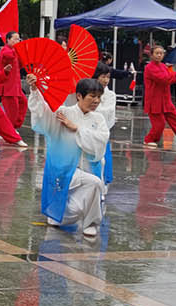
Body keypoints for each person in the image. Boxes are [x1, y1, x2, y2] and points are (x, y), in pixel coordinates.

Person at [28, 74, 109, 237]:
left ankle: (91, 222)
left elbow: (102, 139)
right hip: (63, 169)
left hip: (87, 168)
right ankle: (59, 214)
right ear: (79, 95)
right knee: (67, 213)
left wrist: (76, 129)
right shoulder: (64, 112)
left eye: (99, 97)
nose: (96, 101)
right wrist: (35, 90)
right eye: (92, 96)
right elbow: (44, 112)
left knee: (95, 183)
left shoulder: (98, 118)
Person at [84, 64, 117, 198]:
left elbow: (108, 114)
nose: (105, 80)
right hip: (87, 133)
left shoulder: (110, 95)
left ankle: (102, 188)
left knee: (103, 161)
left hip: (101, 133)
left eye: (108, 77)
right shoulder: (85, 92)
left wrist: (93, 107)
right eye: (102, 77)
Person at [0, 32, 26, 129]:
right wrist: (19, 50)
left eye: (18, 39)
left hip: (15, 86)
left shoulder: (13, 51)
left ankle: (13, 127)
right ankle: (7, 131)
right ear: (8, 40)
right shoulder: (6, 50)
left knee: (23, 103)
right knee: (12, 111)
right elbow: (9, 57)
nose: (17, 41)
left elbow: (19, 66)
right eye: (15, 39)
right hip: (7, 87)